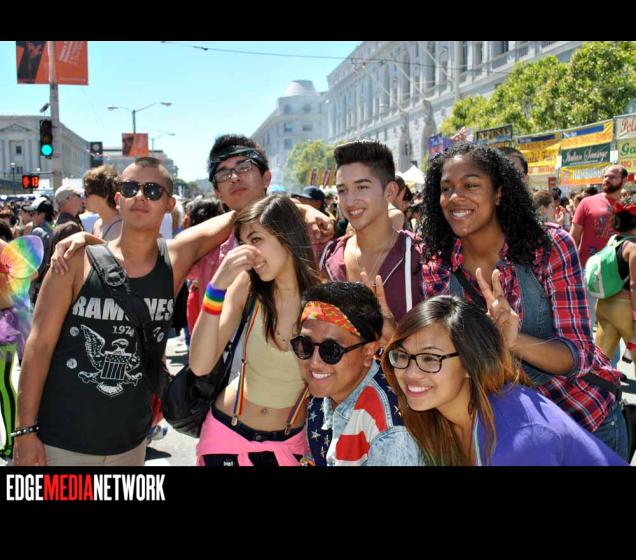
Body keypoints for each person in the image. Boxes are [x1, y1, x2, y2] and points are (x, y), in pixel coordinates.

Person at [13, 157, 239, 466]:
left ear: (169, 204)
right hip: (61, 443)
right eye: (131, 188)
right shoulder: (75, 262)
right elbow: (38, 347)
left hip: (131, 444)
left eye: (153, 190)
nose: (140, 196)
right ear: (118, 198)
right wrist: (24, 431)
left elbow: (241, 214)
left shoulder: (173, 260)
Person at [416, 142, 628, 459]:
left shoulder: (548, 246)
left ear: (499, 193)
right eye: (446, 189)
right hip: (511, 434)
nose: (455, 196)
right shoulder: (438, 264)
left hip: (583, 420)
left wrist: (513, 341)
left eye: (470, 185)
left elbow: (579, 355)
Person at [382, 295, 627, 466]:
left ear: (470, 362)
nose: (410, 373)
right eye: (402, 356)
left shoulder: (518, 440)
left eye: (429, 359)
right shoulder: (446, 417)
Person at [189, 195, 320, 466]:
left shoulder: (323, 299)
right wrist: (216, 287)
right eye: (244, 243)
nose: (249, 252)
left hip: (289, 446)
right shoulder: (246, 287)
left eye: (256, 239)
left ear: (287, 236)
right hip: (226, 435)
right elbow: (200, 366)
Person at [189, 134, 333, 319]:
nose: (234, 178)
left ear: (267, 178)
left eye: (244, 167)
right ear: (218, 193)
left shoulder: (312, 236)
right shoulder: (208, 253)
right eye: (223, 174)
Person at [294, 281, 422, 466]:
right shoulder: (324, 396)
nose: (314, 362)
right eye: (305, 345)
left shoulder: (390, 432)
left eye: (331, 350)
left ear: (369, 352)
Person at [321, 140, 423, 325]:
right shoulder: (329, 257)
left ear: (389, 192)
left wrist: (394, 338)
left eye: (362, 187)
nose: (350, 201)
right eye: (342, 190)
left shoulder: (421, 258)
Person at [594, 194, 636, 367]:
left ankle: (595, 385)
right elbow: (634, 285)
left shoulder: (613, 241)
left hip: (604, 305)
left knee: (600, 363)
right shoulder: (634, 248)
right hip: (625, 309)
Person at [24, 196, 55, 303]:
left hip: (37, 286)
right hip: (51, 283)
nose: (31, 217)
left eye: (33, 214)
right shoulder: (55, 228)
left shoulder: (38, 231)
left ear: (42, 215)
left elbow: (31, 262)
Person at [82, 165, 122, 241]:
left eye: (87, 193)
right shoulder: (97, 224)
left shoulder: (123, 227)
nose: (83, 198)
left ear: (105, 194)